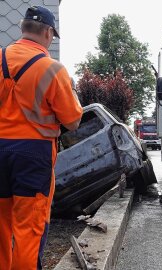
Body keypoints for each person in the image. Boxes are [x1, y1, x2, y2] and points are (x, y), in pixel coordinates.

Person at [0, 6, 83, 270]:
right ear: (48, 32)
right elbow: (72, 121)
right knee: (28, 229)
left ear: (23, 28)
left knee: (1, 225)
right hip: (33, 155)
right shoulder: (52, 70)